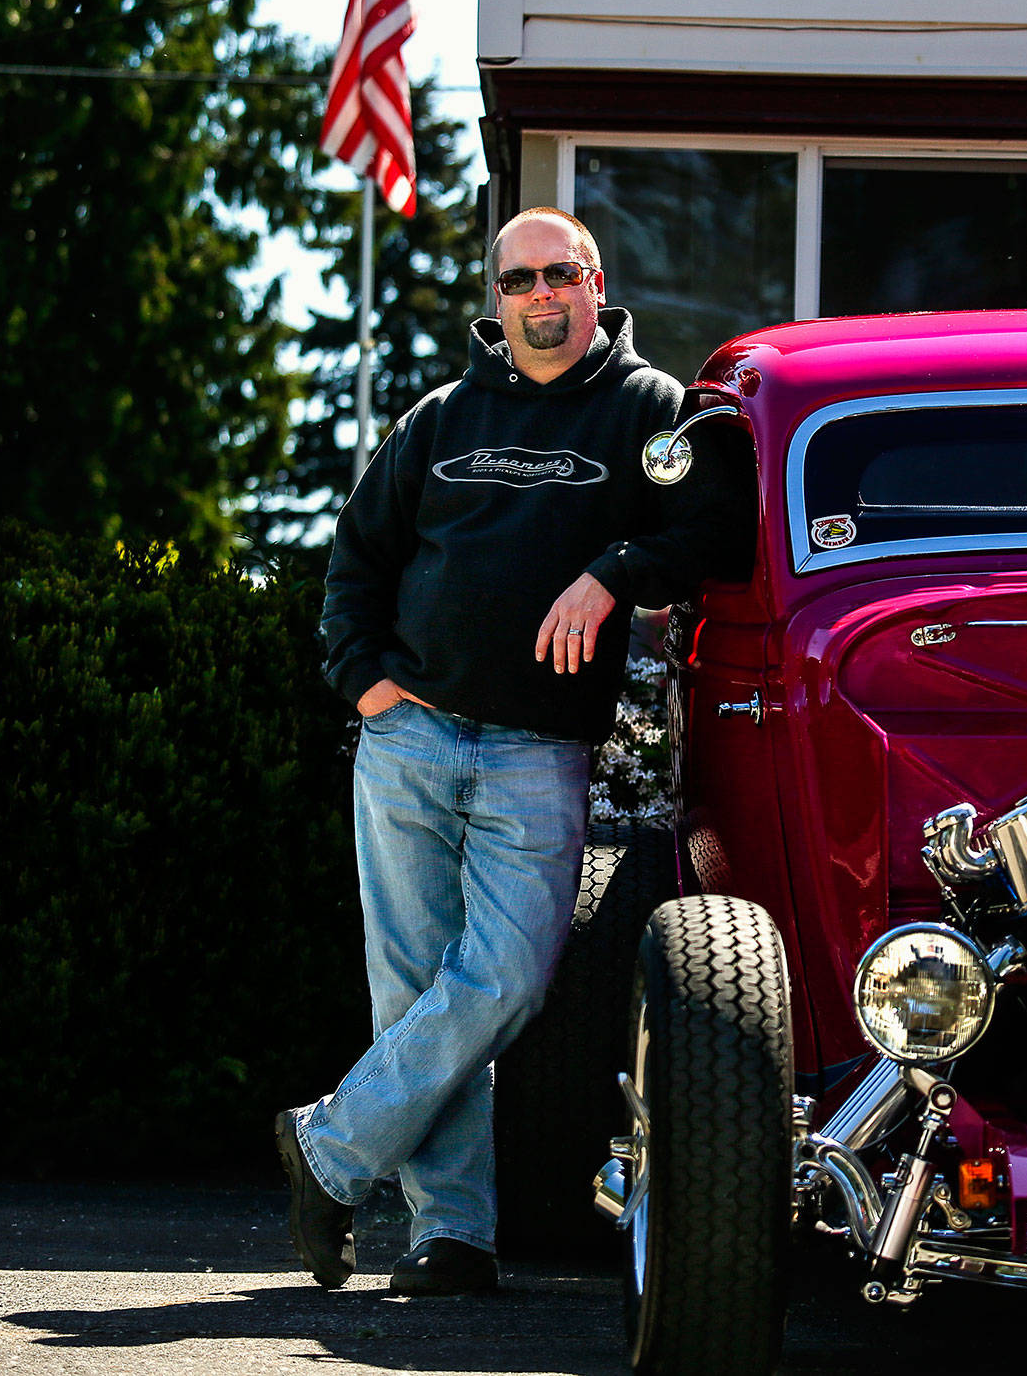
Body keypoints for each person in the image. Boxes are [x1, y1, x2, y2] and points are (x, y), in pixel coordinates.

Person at [275, 206, 754, 1295]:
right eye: (517, 280)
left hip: (539, 751)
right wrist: (367, 683)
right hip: (410, 738)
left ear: (595, 284)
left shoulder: (648, 411)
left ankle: (328, 1149)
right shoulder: (442, 417)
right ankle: (450, 1236)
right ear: (496, 299)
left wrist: (611, 571)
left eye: (559, 275)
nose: (539, 295)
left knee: (505, 978)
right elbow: (356, 561)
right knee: (411, 992)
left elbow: (718, 533)